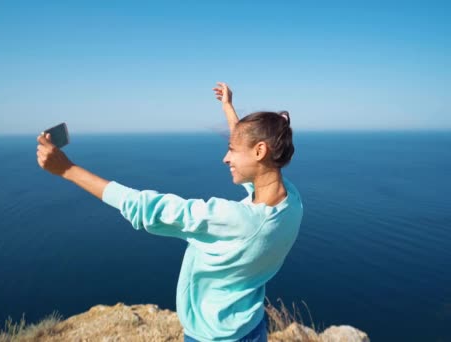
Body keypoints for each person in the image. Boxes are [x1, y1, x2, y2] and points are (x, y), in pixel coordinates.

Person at [36, 82, 303, 342]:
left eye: (232, 149)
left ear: (259, 150)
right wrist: (228, 109)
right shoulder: (291, 203)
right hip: (253, 328)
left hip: (212, 336)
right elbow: (256, 161)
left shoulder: (233, 219)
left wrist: (67, 169)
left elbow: (142, 205)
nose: (226, 158)